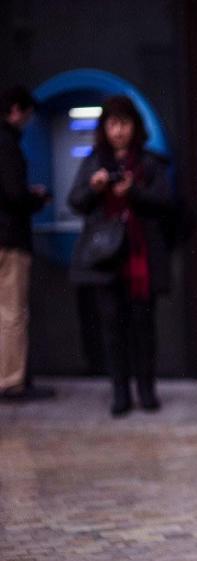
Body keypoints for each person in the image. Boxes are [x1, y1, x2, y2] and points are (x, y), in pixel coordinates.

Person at [68, 95, 174, 417]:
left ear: (135, 127)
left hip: (140, 257)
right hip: (105, 259)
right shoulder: (93, 161)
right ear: (104, 128)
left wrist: (134, 192)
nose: (118, 132)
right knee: (111, 327)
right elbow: (75, 202)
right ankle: (120, 391)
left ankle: (146, 389)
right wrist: (94, 187)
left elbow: (165, 203)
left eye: (124, 124)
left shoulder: (150, 163)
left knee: (143, 326)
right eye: (112, 124)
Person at [0, 85, 56, 402]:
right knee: (12, 312)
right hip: (9, 239)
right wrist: (38, 199)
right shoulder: (8, 144)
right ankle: (11, 382)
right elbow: (13, 195)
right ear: (17, 110)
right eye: (29, 115)